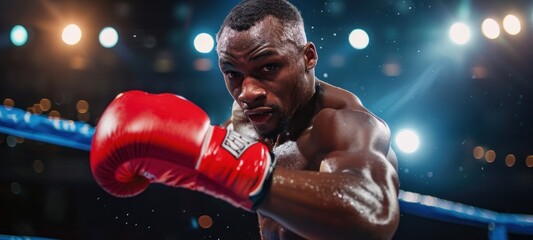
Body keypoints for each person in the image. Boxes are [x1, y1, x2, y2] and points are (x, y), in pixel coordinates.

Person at [90, 0, 400, 239]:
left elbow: (372, 215)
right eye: (233, 74)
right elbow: (210, 157)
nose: (248, 92)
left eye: (268, 68)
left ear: (308, 57)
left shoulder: (345, 124)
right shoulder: (250, 118)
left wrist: (228, 166)